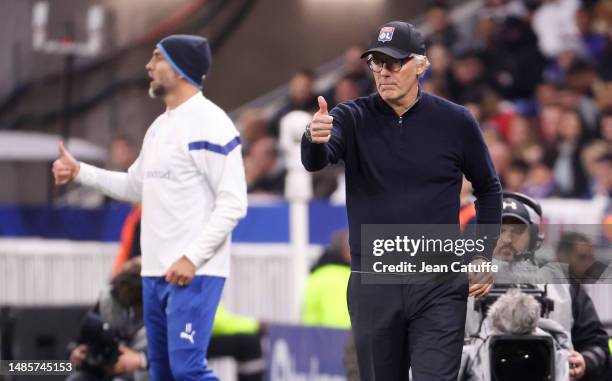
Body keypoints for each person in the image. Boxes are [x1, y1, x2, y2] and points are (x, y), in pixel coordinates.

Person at [301, 21, 502, 381]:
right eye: (377, 63)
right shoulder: (351, 116)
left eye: (394, 63)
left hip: (439, 284)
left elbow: (488, 189)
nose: (384, 71)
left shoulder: (456, 122)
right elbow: (318, 159)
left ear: (421, 65)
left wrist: (481, 253)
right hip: (374, 284)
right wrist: (313, 139)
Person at [52, 34, 248, 381]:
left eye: (157, 58)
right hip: (154, 275)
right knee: (162, 374)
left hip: (194, 274)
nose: (148, 66)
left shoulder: (212, 124)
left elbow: (234, 203)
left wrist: (192, 258)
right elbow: (134, 186)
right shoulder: (160, 127)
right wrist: (81, 172)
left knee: (187, 370)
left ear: (181, 69)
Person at [489, 192, 610, 381]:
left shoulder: (564, 286)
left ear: (534, 237)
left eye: (517, 230)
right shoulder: (460, 285)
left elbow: (598, 346)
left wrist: (586, 361)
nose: (507, 238)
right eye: (499, 230)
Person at [67, 258, 148, 381]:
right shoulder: (108, 301)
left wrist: (142, 359)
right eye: (124, 288)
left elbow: (177, 353)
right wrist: (76, 352)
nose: (127, 293)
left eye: (133, 291)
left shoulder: (165, 308)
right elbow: (82, 339)